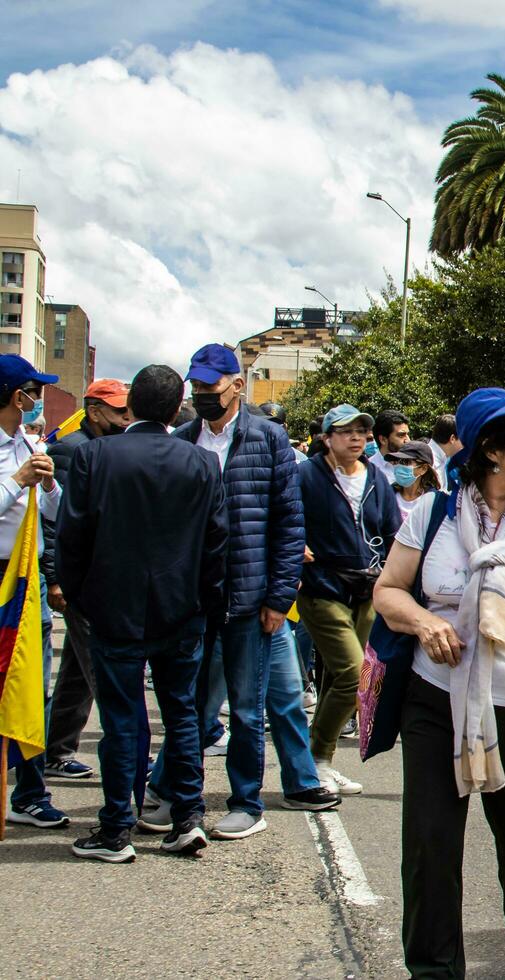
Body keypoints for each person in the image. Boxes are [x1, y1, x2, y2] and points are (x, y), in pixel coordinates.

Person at [374, 387, 505, 980]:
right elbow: (387, 593)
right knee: (430, 840)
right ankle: (433, 970)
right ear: (490, 448)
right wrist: (425, 621)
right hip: (436, 696)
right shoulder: (430, 514)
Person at [138, 344, 329, 839]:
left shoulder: (269, 440)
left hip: (249, 599)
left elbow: (289, 525)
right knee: (189, 707)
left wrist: (277, 597)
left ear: (237, 386)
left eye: (211, 387)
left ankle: (247, 802)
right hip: (193, 601)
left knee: (248, 708)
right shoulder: (181, 441)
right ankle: (181, 797)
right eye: (196, 387)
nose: (202, 395)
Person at [57, 364, 228, 861]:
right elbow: (216, 543)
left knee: (122, 720)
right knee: (181, 715)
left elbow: (73, 537)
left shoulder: (95, 456)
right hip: (181, 609)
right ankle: (188, 816)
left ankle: (115, 829)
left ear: (131, 406)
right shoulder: (201, 463)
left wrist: (82, 596)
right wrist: (205, 602)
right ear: (178, 409)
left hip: (114, 609)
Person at [296, 404, 402, 795]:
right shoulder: (306, 475)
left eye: (362, 431)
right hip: (321, 586)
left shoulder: (376, 477)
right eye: (346, 431)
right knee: (352, 673)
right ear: (327, 437)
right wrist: (295, 549)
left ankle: (313, 762)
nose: (356, 437)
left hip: (367, 590)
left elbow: (393, 532)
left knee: (340, 680)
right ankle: (316, 759)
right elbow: (287, 518)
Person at [43, 378, 133, 781]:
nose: (126, 419)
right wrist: (57, 579)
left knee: (78, 673)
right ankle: (129, 753)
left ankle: (57, 750)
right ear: (94, 411)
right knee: (100, 669)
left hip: (105, 576)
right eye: (119, 411)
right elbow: (55, 522)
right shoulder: (69, 450)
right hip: (82, 579)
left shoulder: (105, 448)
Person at [0, 356, 70, 831]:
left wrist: (46, 485)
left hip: (27, 579)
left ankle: (29, 791)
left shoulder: (28, 441)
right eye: (32, 391)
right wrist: (16, 481)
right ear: (14, 396)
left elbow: (55, 510)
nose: (36, 400)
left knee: (32, 688)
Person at [385, 440, 441, 522]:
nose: (399, 466)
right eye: (397, 461)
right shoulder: (387, 495)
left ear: (423, 469)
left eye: (406, 462)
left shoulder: (434, 501)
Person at [371, 409, 412, 478]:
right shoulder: (369, 471)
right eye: (401, 435)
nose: (408, 440)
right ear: (383, 439)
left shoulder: (415, 465)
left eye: (407, 434)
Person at [430, 413, 462, 488]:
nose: (464, 446)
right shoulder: (427, 460)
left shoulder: (444, 459)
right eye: (462, 440)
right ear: (452, 439)